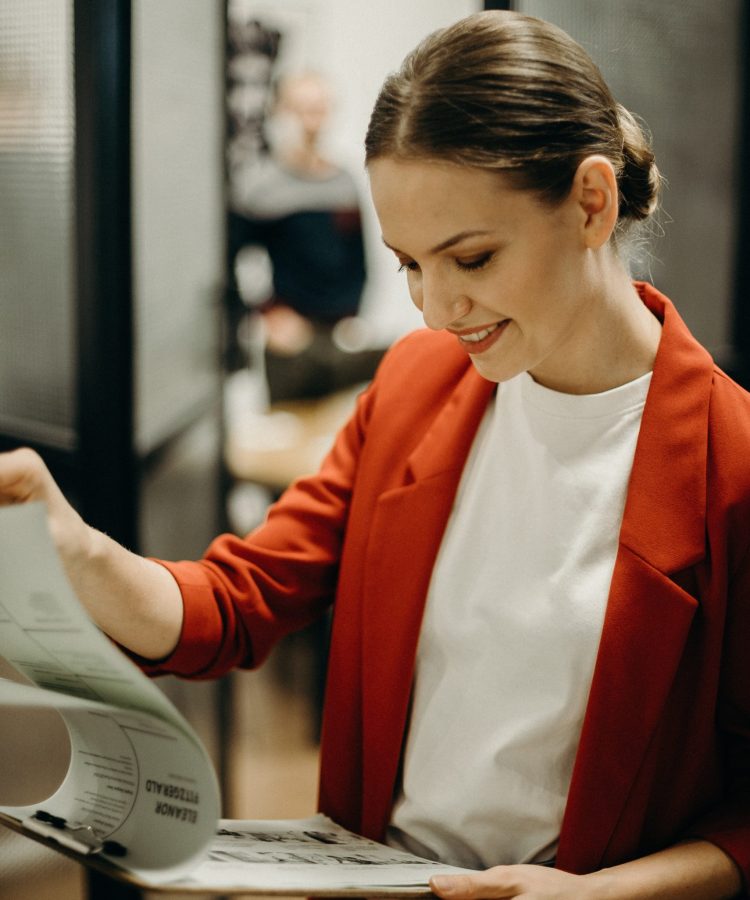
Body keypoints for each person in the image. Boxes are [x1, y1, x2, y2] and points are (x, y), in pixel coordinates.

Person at [1, 11, 748, 898]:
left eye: (470, 258)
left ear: (592, 202)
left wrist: (600, 894)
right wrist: (75, 549)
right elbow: (240, 601)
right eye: (409, 266)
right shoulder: (416, 385)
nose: (437, 309)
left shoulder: (729, 465)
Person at [227, 71, 384, 401]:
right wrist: (267, 314)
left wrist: (356, 316)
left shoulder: (344, 182)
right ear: (279, 113)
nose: (312, 122)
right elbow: (230, 262)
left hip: (341, 334)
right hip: (289, 341)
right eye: (301, 110)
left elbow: (359, 260)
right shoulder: (259, 187)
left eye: (320, 109)